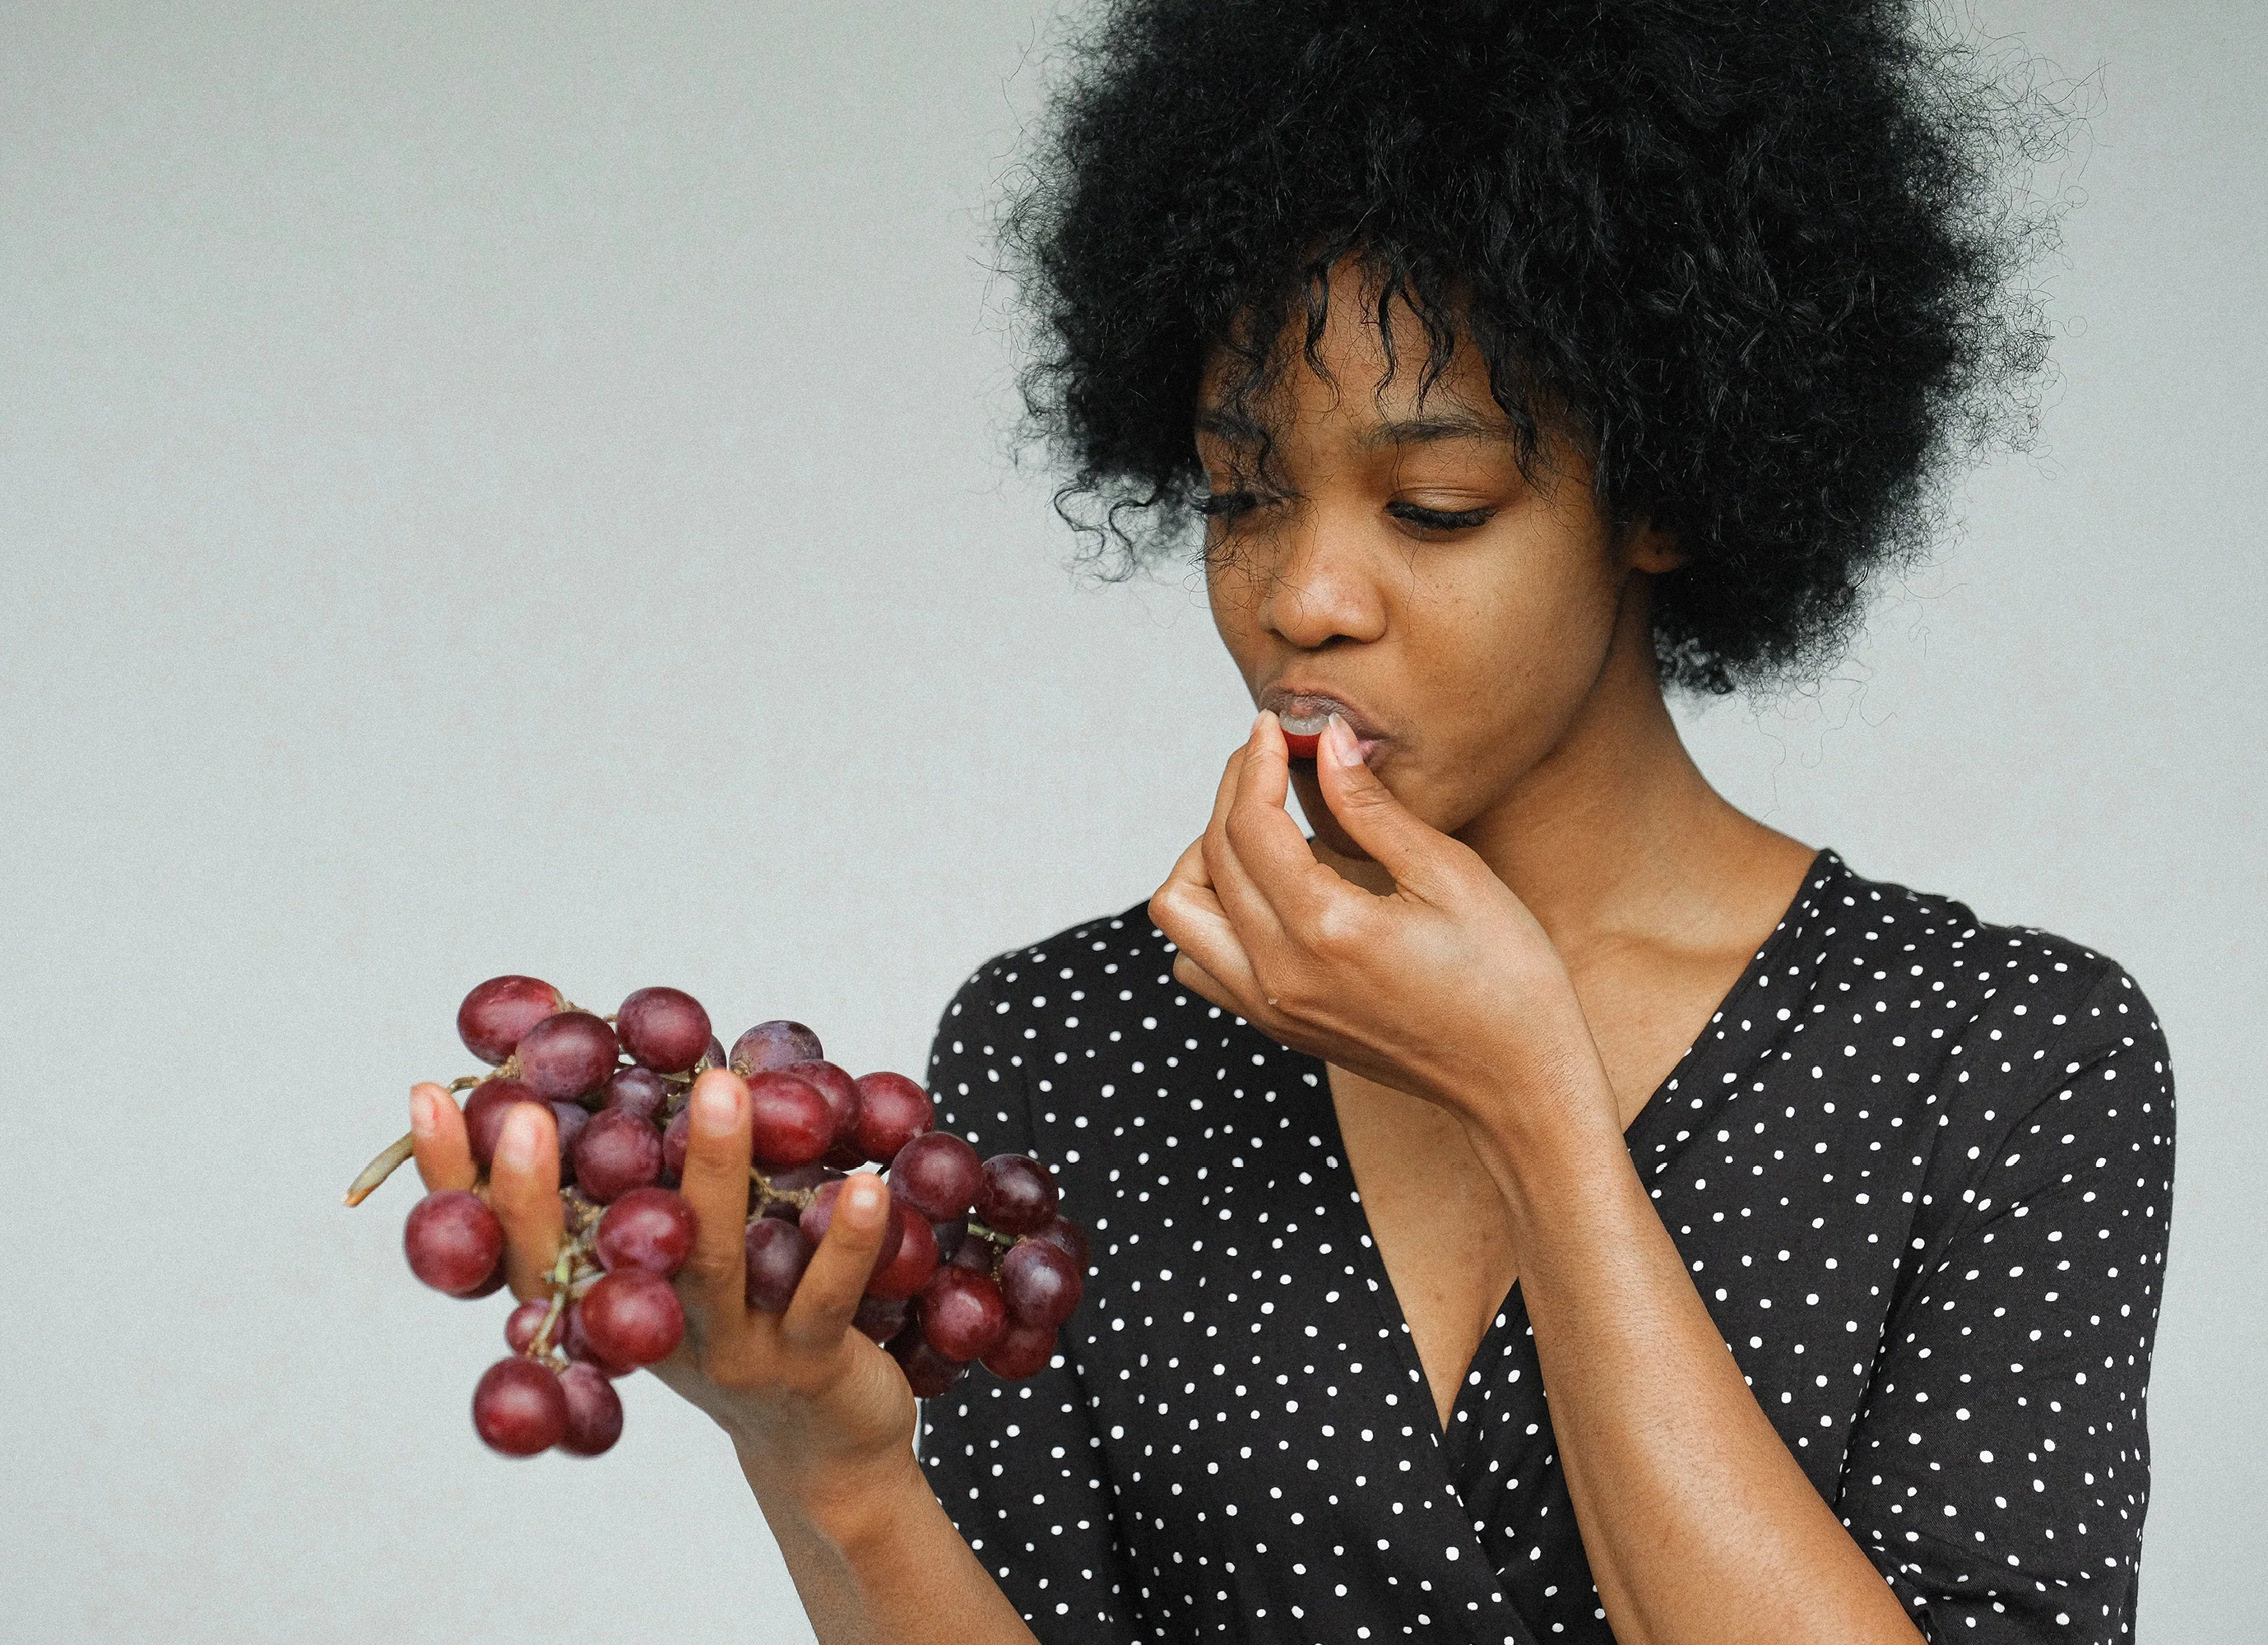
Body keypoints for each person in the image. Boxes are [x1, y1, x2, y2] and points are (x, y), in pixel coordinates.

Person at [408, 2, 2173, 1640]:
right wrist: (836, 1471)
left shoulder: (2004, 1054)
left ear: (1666, 489)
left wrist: (1534, 1108)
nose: (1304, 597)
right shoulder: (1074, 1043)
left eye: (1436, 503)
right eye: (1246, 493)